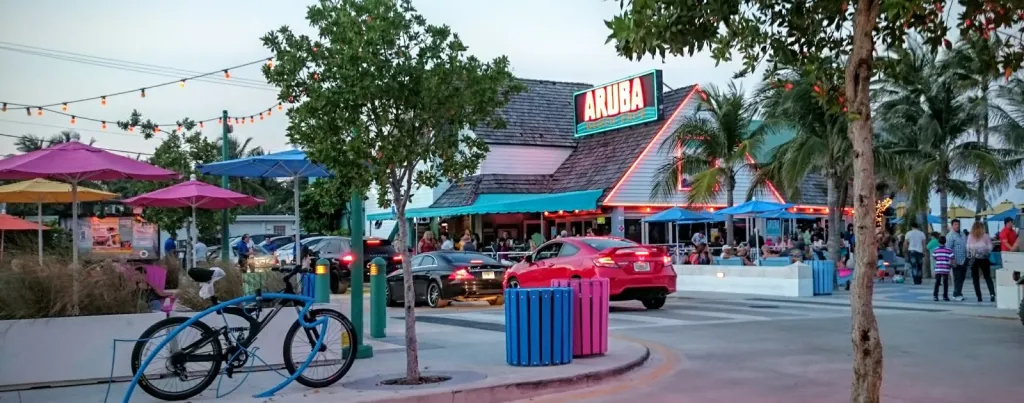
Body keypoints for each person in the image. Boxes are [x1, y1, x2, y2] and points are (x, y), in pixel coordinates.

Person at [966, 221, 996, 302]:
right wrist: (985, 252)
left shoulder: (970, 236)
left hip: (973, 259)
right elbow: (990, 247)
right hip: (984, 258)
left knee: (975, 279)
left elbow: (968, 248)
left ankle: (979, 296)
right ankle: (992, 294)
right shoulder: (986, 236)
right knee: (987, 277)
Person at [946, 219, 969, 301]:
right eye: (955, 224)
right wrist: (952, 260)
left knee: (962, 277)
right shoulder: (950, 236)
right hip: (956, 260)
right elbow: (948, 249)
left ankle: (959, 292)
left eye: (958, 224)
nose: (957, 226)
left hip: (964, 259)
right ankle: (956, 294)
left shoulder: (962, 234)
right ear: (952, 225)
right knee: (957, 278)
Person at [932, 236, 953, 301]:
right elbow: (952, 257)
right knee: (945, 283)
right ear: (945, 242)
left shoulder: (936, 250)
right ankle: (945, 296)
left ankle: (935, 296)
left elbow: (934, 257)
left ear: (938, 242)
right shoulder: (948, 250)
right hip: (946, 268)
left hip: (938, 268)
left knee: (937, 282)